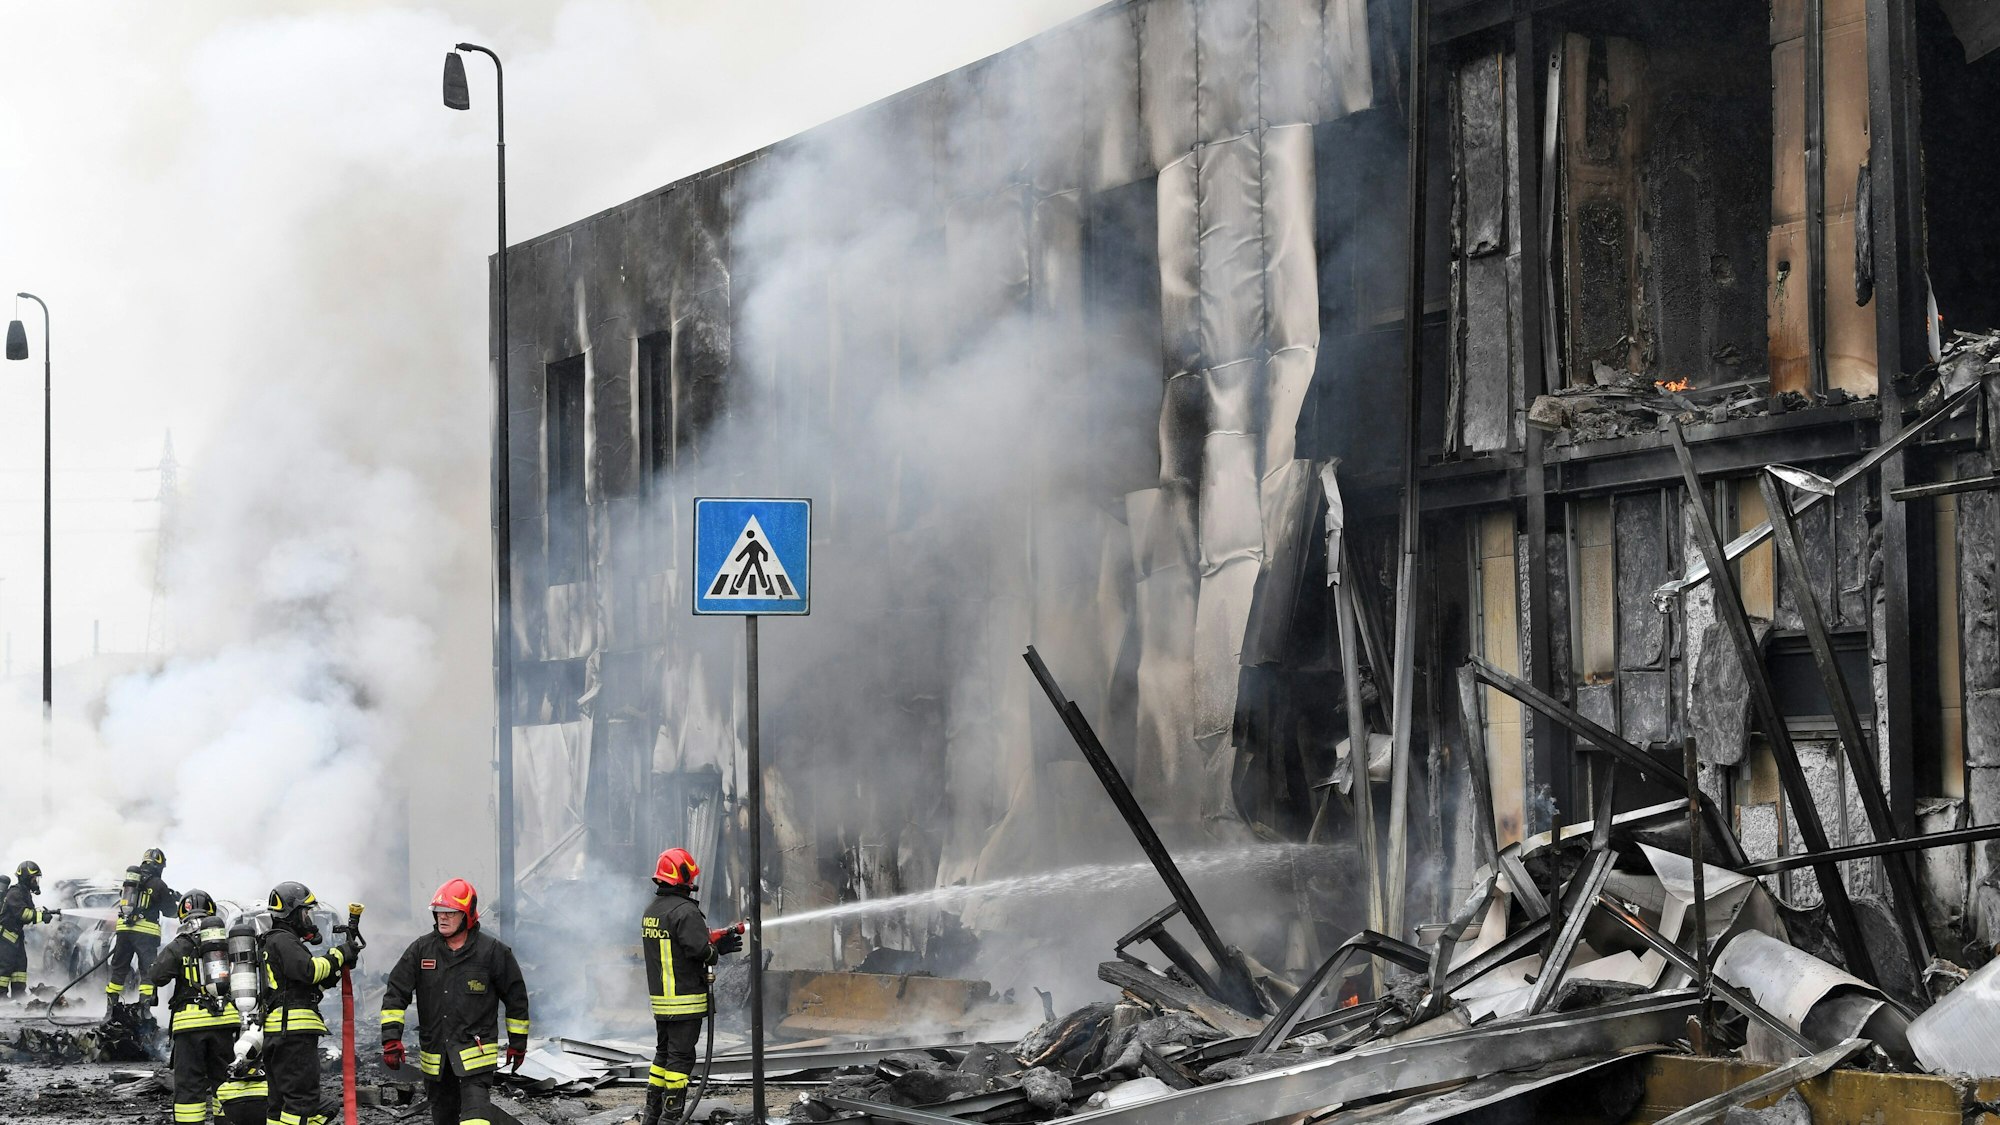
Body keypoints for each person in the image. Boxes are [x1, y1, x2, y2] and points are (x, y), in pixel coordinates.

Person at [380, 878, 530, 1125]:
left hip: (475, 1060)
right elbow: (395, 993)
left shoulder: (492, 952)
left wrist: (518, 1043)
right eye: (439, 912)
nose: (443, 918)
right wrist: (391, 1040)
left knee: (476, 1120)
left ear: (468, 915)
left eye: (451, 913)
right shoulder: (421, 950)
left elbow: (516, 999)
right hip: (436, 1062)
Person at [641, 848, 741, 1125]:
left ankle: (652, 1115)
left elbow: (678, 942)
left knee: (663, 1055)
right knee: (680, 1061)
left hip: (662, 1002)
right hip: (685, 999)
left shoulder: (653, 911)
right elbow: (701, 951)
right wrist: (716, 949)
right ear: (681, 876)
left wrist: (710, 939)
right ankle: (672, 1119)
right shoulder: (685, 912)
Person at [260, 881, 358, 1125]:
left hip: (278, 1032)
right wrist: (339, 954)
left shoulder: (272, 942)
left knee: (279, 1103)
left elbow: (307, 988)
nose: (308, 918)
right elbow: (309, 971)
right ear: (292, 914)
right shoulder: (283, 940)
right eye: (305, 912)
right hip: (294, 1034)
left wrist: (334, 974)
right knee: (301, 1102)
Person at [146, 890, 236, 1125]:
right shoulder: (226, 945)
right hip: (225, 1022)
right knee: (225, 1081)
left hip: (190, 1026)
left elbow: (157, 975)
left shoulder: (180, 945)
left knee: (190, 1085)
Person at [106, 848, 176, 1015]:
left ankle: (110, 1009)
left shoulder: (131, 882)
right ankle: (144, 1010)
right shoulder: (158, 884)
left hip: (123, 930)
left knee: (119, 969)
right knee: (147, 971)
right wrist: (171, 898)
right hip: (145, 934)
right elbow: (170, 912)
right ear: (159, 865)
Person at [0, 862, 57, 999]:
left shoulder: (23, 893)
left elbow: (29, 912)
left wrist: (44, 914)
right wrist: (42, 917)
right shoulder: (15, 893)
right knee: (5, 968)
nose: (36, 881)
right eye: (34, 878)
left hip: (15, 938)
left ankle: (18, 996)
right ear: (26, 878)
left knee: (19, 967)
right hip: (5, 938)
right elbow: (23, 914)